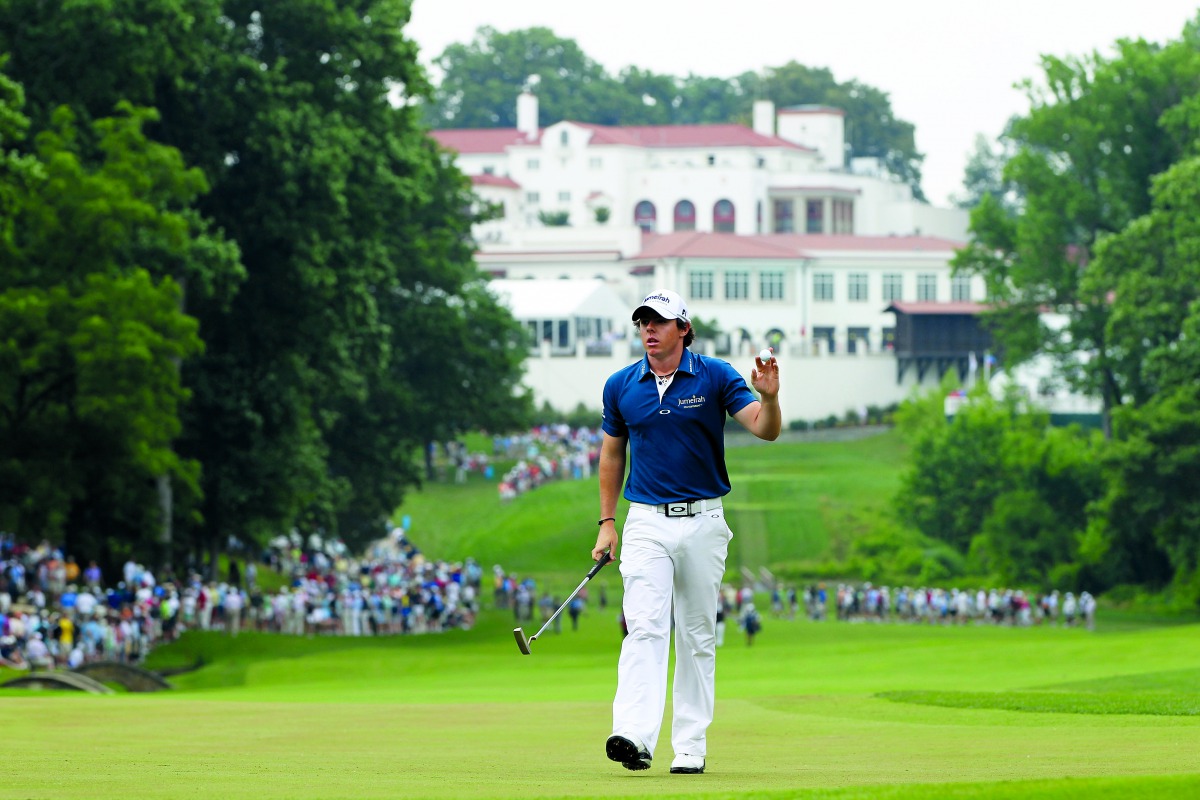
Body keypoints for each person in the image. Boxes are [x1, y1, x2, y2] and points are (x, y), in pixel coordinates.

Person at [592, 289, 781, 776]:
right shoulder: (620, 385)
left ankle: (691, 745)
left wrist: (770, 397)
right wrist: (607, 522)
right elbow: (612, 454)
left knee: (697, 633)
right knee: (644, 625)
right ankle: (633, 733)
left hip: (703, 520)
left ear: (682, 328)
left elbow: (764, 429)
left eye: (658, 322)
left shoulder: (715, 374)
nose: (648, 330)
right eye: (642, 323)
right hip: (645, 522)